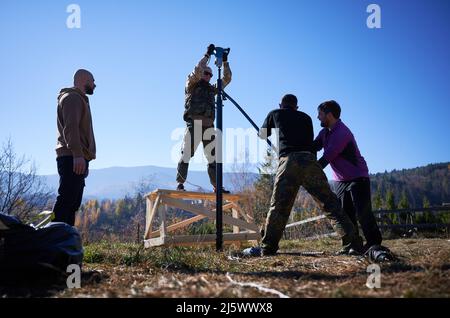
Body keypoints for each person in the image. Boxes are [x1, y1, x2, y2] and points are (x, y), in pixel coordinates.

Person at [243, 94, 359, 257]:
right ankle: (353, 242)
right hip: (310, 161)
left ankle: (268, 247)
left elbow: (262, 135)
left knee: (279, 207)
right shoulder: (306, 118)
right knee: (329, 203)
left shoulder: (275, 113)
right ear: (296, 107)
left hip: (289, 161)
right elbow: (309, 142)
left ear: (281, 104)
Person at [314, 100, 382, 253]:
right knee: (346, 215)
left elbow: (327, 157)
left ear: (329, 115)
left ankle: (374, 245)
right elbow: (313, 146)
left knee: (363, 213)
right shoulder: (325, 133)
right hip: (340, 180)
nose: (318, 117)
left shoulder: (342, 133)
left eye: (320, 114)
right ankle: (353, 245)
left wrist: (309, 171)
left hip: (357, 177)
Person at [176, 44, 232, 193]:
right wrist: (206, 55)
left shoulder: (211, 89)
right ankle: (180, 184)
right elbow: (197, 70)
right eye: (206, 73)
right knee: (186, 153)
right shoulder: (192, 84)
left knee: (213, 157)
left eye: (210, 75)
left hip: (208, 126)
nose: (208, 76)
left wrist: (225, 62)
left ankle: (217, 186)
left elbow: (227, 79)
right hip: (194, 124)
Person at [52, 69, 97, 226]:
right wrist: (78, 155)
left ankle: (65, 242)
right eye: (92, 80)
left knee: (72, 203)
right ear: (83, 79)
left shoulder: (78, 99)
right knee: (66, 200)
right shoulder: (72, 98)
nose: (95, 84)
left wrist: (84, 158)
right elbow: (71, 128)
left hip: (76, 157)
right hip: (72, 156)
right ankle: (55, 241)